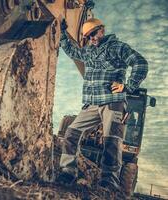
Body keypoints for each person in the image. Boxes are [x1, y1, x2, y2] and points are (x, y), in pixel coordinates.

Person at [59, 18, 148, 191]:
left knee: (111, 142)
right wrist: (63, 34)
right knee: (71, 132)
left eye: (93, 33)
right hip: (92, 103)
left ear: (101, 30)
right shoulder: (89, 51)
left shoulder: (117, 47)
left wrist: (128, 86)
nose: (91, 38)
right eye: (87, 37)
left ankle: (109, 182)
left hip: (112, 102)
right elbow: (72, 52)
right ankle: (68, 172)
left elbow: (141, 63)